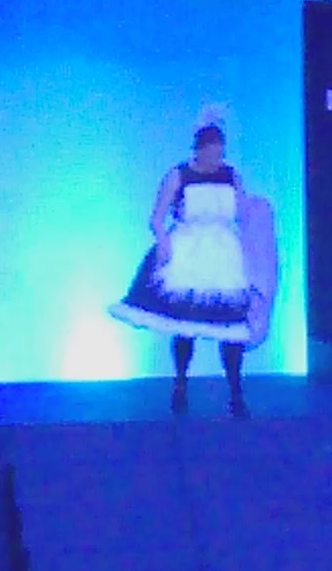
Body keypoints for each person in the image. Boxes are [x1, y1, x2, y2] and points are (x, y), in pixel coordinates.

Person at [109, 107, 278, 417]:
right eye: (212, 152)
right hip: (188, 250)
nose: (217, 158)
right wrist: (163, 243)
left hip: (224, 255)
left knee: (230, 325)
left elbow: (242, 212)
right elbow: (156, 217)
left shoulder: (231, 175)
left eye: (220, 153)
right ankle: (180, 385)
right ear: (199, 149)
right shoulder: (179, 175)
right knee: (184, 323)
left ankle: (236, 393)